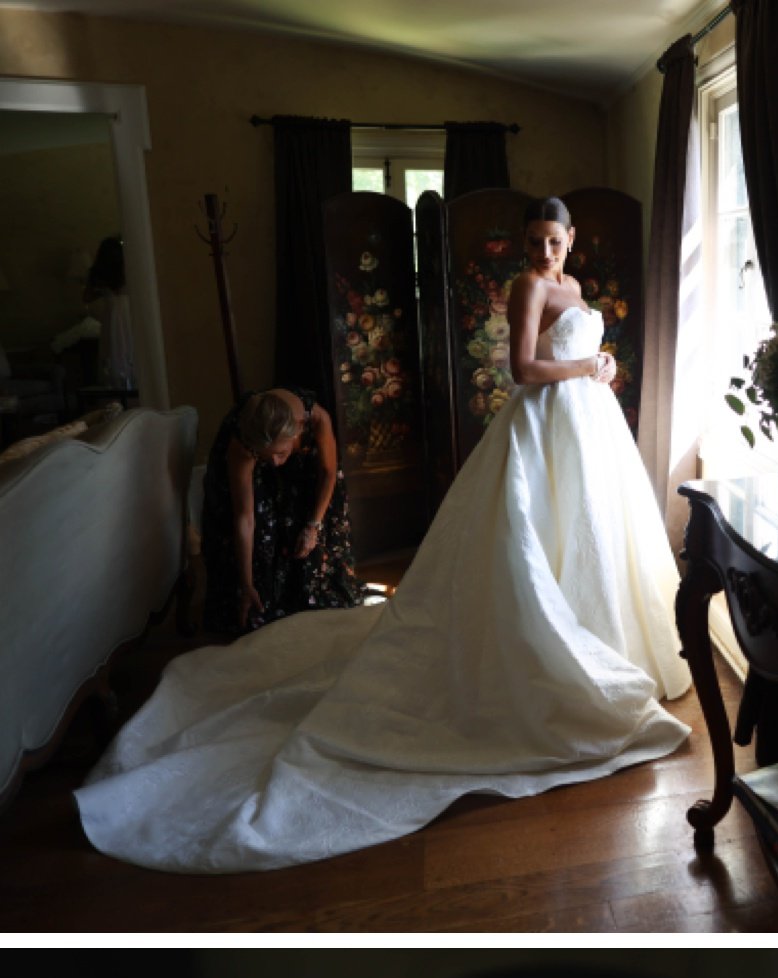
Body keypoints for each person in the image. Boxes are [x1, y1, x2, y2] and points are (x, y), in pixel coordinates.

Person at [73, 197, 691, 875]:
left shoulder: (574, 287)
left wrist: (600, 366)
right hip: (543, 426)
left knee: (597, 536)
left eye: (555, 241)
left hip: (587, 426)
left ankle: (613, 645)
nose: (546, 252)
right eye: (536, 241)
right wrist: (583, 369)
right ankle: (552, 662)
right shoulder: (528, 286)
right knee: (538, 544)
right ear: (527, 244)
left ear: (572, 240)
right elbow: (521, 368)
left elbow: (574, 350)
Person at [199, 386, 364, 636]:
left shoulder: (317, 419)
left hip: (307, 472)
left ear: (298, 429)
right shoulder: (244, 442)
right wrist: (246, 584)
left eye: (280, 454)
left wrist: (313, 526)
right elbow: (244, 518)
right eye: (267, 457)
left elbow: (329, 473)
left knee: (313, 531)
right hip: (253, 469)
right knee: (261, 537)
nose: (275, 463)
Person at [83, 235, 136, 393]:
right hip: (128, 312)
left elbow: (86, 297)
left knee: (113, 348)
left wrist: (102, 290)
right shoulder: (127, 268)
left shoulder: (98, 272)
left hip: (112, 313)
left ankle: (116, 385)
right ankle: (132, 383)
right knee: (130, 346)